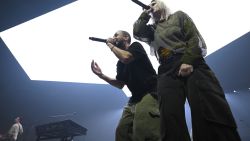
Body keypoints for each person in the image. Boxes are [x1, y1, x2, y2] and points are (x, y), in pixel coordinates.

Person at [133, 0, 241, 141]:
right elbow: (137, 32)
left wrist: (188, 61)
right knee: (168, 113)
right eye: (149, 4)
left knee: (206, 106)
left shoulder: (178, 16)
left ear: (162, 4)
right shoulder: (152, 29)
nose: (151, 5)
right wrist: (144, 15)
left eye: (154, 3)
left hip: (190, 60)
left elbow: (193, 38)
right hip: (166, 69)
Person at [91, 30, 160, 141]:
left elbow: (126, 58)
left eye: (116, 35)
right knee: (122, 131)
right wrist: (101, 75)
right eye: (113, 36)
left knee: (142, 126)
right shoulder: (120, 63)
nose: (114, 37)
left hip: (151, 92)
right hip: (134, 99)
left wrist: (109, 44)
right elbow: (120, 84)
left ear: (126, 37)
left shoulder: (135, 46)